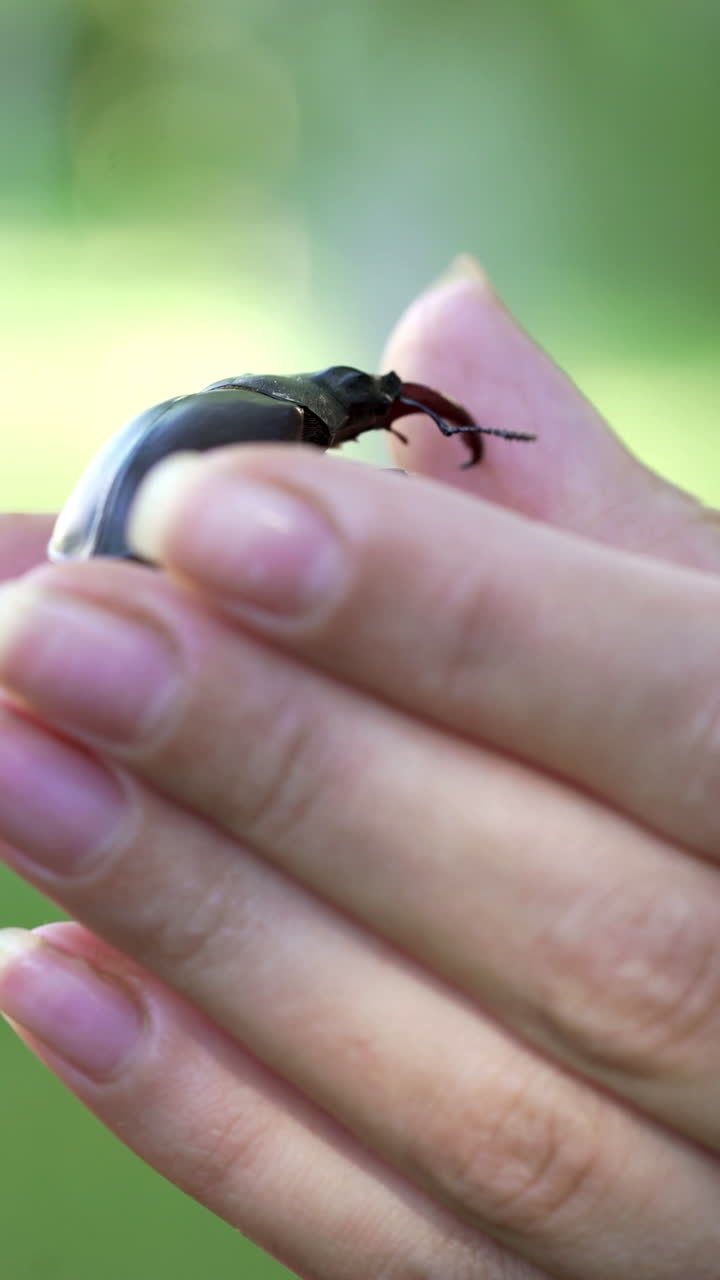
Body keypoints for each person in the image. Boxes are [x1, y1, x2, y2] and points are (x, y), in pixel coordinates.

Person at [0, 258, 719, 1279]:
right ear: (324, 425)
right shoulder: (267, 433)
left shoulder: (233, 416)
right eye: (371, 414)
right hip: (129, 584)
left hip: (111, 576)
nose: (386, 417)